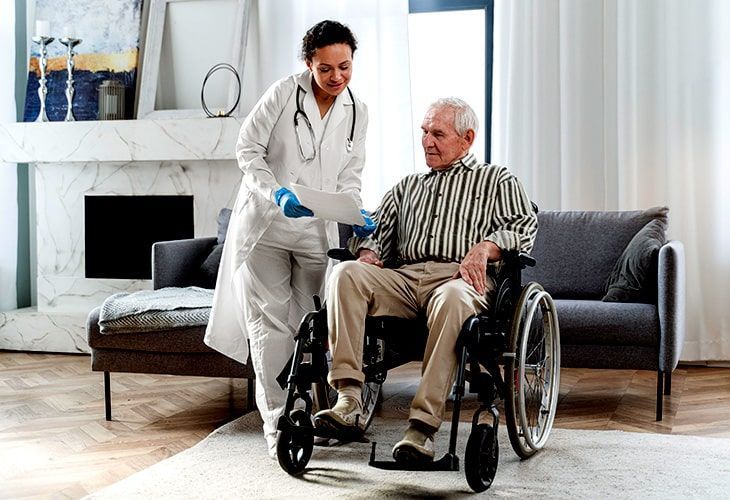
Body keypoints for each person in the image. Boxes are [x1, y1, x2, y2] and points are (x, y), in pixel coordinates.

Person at [314, 98, 537, 463]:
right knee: (346, 273)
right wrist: (368, 251)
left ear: (467, 138)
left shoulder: (498, 179)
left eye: (437, 133)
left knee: (452, 299)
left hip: (459, 279)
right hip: (403, 278)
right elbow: (375, 230)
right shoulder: (407, 187)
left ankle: (421, 428)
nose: (427, 141)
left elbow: (524, 227)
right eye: (424, 132)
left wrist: (487, 246)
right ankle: (349, 399)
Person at [204, 20, 375, 458]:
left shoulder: (357, 110)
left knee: (310, 323)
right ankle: (278, 424)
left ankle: (312, 411)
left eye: (345, 67)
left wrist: (355, 212)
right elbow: (247, 149)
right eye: (325, 68)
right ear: (308, 63)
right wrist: (275, 191)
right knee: (270, 325)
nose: (336, 77)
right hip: (266, 224)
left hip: (315, 229)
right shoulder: (283, 93)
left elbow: (350, 175)